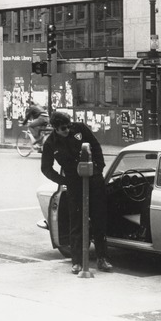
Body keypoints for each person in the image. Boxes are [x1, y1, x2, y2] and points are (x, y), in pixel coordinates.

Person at [40, 111, 113, 274]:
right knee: (77, 223)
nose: (67, 130)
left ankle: (103, 258)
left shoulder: (80, 129)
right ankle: (77, 262)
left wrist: (98, 169)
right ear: (55, 128)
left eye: (68, 126)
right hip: (74, 183)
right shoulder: (51, 143)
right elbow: (46, 168)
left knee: (99, 219)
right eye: (63, 128)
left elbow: (96, 146)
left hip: (93, 180)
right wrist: (63, 181)